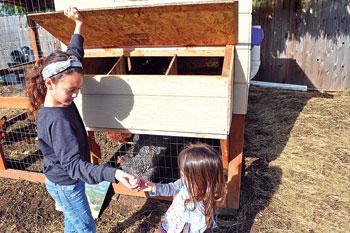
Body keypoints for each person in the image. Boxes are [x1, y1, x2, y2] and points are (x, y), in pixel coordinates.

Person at [25, 6, 139, 233]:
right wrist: (114, 173)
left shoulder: (60, 86)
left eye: (79, 87)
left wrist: (79, 24)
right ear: (50, 83)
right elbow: (75, 166)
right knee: (85, 227)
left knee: (74, 222)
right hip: (67, 183)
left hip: (58, 179)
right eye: (71, 89)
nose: (76, 94)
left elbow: (74, 54)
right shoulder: (59, 122)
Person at [139, 143, 227, 233]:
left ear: (198, 176)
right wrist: (153, 187)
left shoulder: (210, 193)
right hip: (176, 223)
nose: (181, 172)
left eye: (184, 171)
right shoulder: (184, 181)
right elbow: (171, 188)